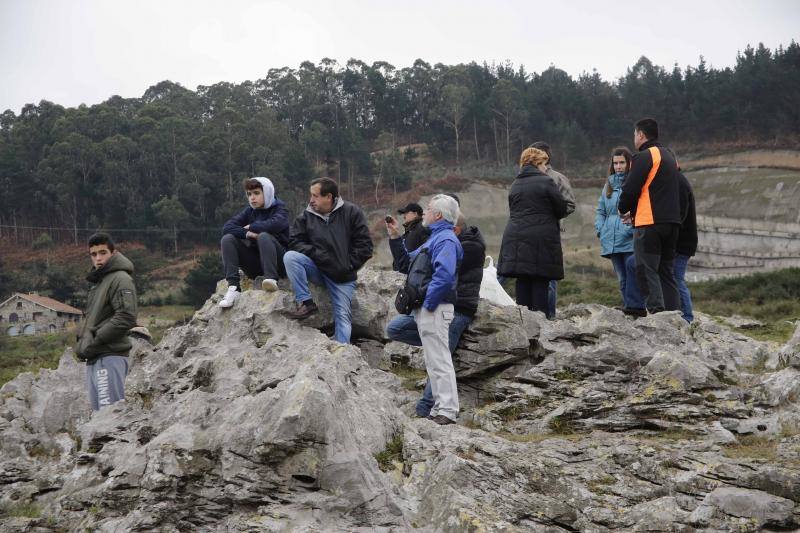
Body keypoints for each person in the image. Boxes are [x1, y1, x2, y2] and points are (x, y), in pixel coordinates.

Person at [386, 210, 486, 418]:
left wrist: (429, 305)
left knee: (440, 359)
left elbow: (443, 277)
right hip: (430, 307)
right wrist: (396, 238)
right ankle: (438, 408)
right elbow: (408, 264)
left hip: (451, 307)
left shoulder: (452, 242)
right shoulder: (437, 239)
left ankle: (438, 409)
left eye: (430, 209)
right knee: (430, 354)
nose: (426, 212)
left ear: (441, 216)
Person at [283, 177, 373, 343]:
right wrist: (317, 254)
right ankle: (306, 302)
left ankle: (341, 357)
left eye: (315, 196)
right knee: (290, 257)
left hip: (342, 277)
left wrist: (347, 266)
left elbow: (365, 247)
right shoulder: (306, 216)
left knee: (343, 318)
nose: (311, 200)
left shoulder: (352, 212)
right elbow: (294, 241)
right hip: (318, 269)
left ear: (329, 197)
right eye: (311, 195)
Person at [618, 118, 682, 314]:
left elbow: (631, 188)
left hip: (650, 223)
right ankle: (674, 313)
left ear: (640, 135)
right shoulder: (669, 156)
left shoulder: (644, 156)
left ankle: (657, 312)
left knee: (646, 268)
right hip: (672, 222)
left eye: (634, 135)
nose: (634, 139)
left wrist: (623, 208)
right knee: (666, 271)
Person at [498, 147, 570, 316]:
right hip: (541, 238)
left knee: (522, 279)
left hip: (516, 237)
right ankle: (540, 326)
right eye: (544, 164)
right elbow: (561, 208)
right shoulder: (546, 182)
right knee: (540, 280)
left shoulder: (515, 184)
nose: (546, 168)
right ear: (537, 163)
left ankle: (524, 324)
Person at [75, 232, 137, 411]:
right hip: (95, 357)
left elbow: (126, 316)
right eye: (93, 254)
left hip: (109, 356)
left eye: (103, 252)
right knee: (100, 418)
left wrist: (96, 339)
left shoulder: (120, 278)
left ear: (113, 252)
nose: (98, 258)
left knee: (110, 416)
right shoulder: (100, 282)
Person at [219, 177, 291, 308]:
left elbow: (274, 225)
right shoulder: (250, 211)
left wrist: (251, 226)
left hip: (279, 264)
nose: (252, 198)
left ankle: (271, 280)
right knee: (228, 239)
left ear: (267, 192)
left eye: (257, 193)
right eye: (249, 194)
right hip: (256, 266)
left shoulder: (281, 209)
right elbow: (227, 227)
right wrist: (248, 233)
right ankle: (234, 287)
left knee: (264, 236)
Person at [531, 141, 576, 319]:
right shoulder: (526, 177)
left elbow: (570, 204)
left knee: (549, 276)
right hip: (529, 233)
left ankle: (550, 316)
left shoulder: (558, 178)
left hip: (550, 232)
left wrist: (553, 216)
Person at [595, 147, 635, 307]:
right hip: (611, 240)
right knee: (622, 279)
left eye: (622, 163)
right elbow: (601, 211)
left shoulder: (634, 184)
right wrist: (600, 229)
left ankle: (636, 308)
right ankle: (628, 308)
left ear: (629, 163)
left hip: (629, 240)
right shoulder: (608, 187)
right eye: (615, 163)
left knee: (634, 278)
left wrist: (630, 229)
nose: (618, 166)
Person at [674, 165, 698, 322]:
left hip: (682, 242)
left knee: (676, 278)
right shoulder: (678, 181)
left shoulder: (678, 183)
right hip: (683, 241)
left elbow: (679, 215)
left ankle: (687, 316)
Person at [391, 202, 430, 272]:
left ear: (415, 214)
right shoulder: (410, 231)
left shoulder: (422, 228)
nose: (404, 216)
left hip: (415, 272)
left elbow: (426, 252)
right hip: (407, 271)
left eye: (406, 213)